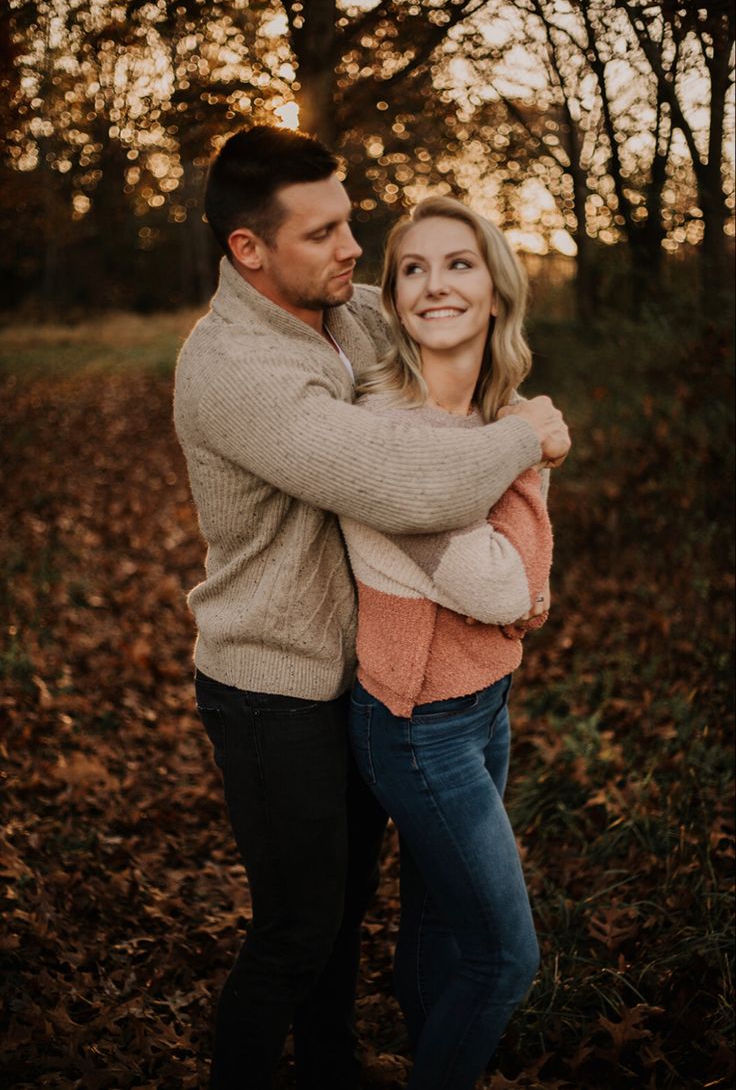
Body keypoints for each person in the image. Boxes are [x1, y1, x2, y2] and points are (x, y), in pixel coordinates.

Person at [173, 125, 570, 1090]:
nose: (355, 248)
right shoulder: (235, 369)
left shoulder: (347, 314)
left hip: (365, 675)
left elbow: (441, 320)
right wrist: (525, 438)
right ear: (249, 250)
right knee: (296, 930)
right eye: (325, 233)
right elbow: (404, 486)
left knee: (344, 911)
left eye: (352, 223)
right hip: (271, 685)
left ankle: (332, 1068)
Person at [341, 196, 554, 1090]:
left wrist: (512, 453)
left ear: (496, 292)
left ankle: (430, 1047)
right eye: (413, 269)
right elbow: (508, 587)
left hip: (485, 702)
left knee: (437, 923)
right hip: (419, 725)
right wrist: (529, 456)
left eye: (458, 263)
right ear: (392, 301)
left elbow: (515, 586)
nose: (436, 285)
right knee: (506, 958)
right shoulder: (384, 434)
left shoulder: (494, 420)